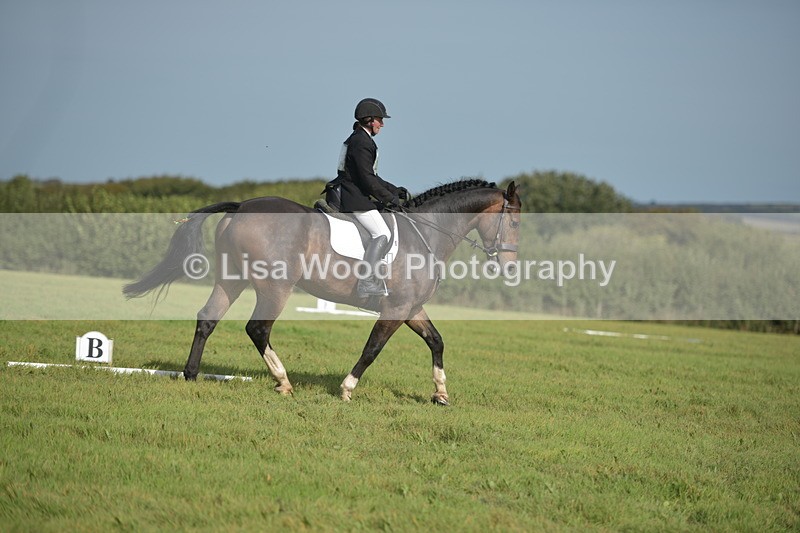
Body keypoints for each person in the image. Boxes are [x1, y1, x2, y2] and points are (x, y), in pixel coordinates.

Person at [335, 98, 408, 297]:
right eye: (379, 120)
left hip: (352, 191)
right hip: (353, 196)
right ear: (369, 120)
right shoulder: (362, 142)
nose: (382, 124)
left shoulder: (359, 138)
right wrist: (388, 199)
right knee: (382, 234)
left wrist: (394, 190)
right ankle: (366, 282)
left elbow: (371, 175)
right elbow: (367, 179)